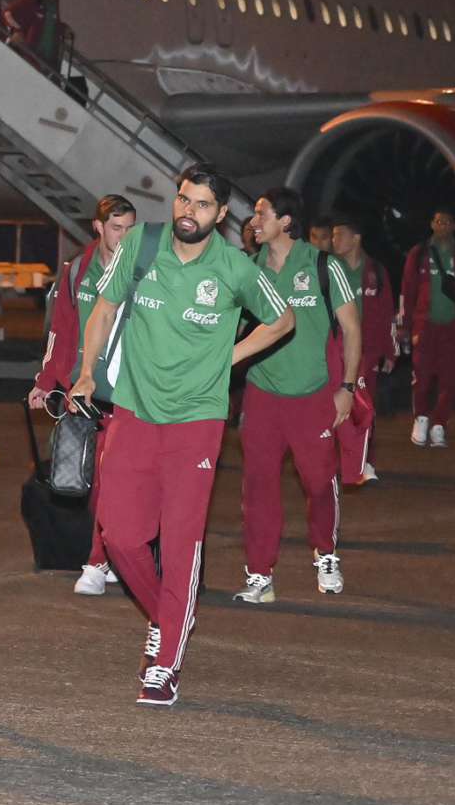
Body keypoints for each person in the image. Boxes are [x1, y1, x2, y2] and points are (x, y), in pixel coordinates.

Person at [70, 164, 295, 707]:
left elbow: (283, 319)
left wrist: (228, 359)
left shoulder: (235, 267)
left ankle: (165, 660)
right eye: (181, 200)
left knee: (180, 542)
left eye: (200, 205)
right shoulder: (141, 248)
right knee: (120, 536)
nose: (186, 211)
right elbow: (103, 308)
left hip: (196, 421)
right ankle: (172, 615)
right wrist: (85, 369)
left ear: (220, 216)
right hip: (133, 413)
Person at [233, 188, 360, 605]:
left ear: (286, 221)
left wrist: (347, 388)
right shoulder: (249, 269)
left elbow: (353, 330)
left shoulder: (324, 265)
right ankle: (259, 574)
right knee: (258, 485)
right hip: (262, 394)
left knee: (320, 483)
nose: (254, 221)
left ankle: (326, 554)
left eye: (261, 213)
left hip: (313, 395)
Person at [30, 193, 138, 595]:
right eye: (116, 228)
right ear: (98, 227)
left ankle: (97, 561)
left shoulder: (142, 272)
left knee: (113, 478)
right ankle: (106, 556)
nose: (123, 236)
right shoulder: (77, 271)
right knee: (88, 480)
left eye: (130, 229)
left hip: (128, 392)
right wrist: (46, 380)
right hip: (83, 390)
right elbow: (61, 330)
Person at [397, 209, 455, 448]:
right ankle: (421, 419)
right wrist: (404, 324)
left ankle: (439, 425)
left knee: (450, 379)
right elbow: (407, 291)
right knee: (422, 378)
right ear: (432, 224)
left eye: (447, 222)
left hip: (454, 329)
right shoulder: (419, 254)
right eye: (438, 221)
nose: (442, 226)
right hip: (425, 327)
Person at [327, 212, 397, 479]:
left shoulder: (375, 272)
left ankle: (366, 461)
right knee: (333, 403)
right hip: (334, 349)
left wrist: (390, 350)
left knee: (364, 405)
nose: (334, 240)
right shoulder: (331, 268)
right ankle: (337, 458)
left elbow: (387, 312)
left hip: (366, 352)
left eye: (339, 235)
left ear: (356, 238)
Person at [2, 0, 67, 68]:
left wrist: (64, 29)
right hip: (31, 57)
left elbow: (51, 25)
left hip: (48, 59)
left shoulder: (54, 5)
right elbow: (7, 14)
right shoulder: (31, 0)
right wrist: (17, 30)